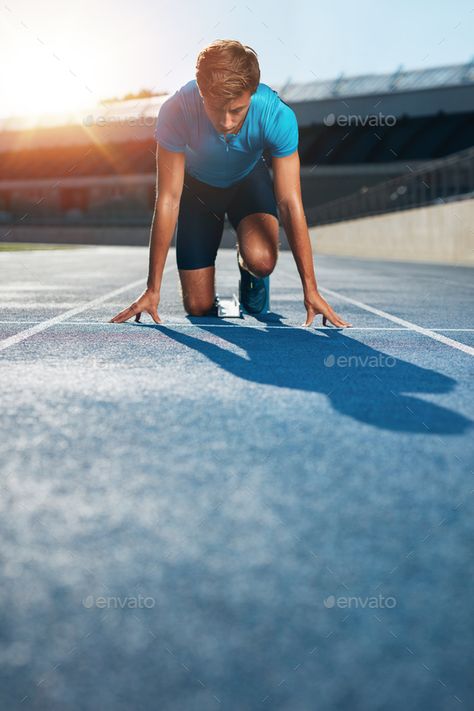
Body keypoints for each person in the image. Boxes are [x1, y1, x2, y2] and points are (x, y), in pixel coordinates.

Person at [110, 39, 351, 327]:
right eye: (215, 109)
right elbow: (168, 200)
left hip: (247, 182)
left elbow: (289, 202)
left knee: (261, 260)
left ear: (251, 94)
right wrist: (153, 288)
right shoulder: (176, 111)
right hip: (198, 191)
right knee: (197, 307)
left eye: (236, 110)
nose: (225, 122)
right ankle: (221, 291)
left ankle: (249, 268)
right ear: (201, 94)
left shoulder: (277, 116)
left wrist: (310, 289)